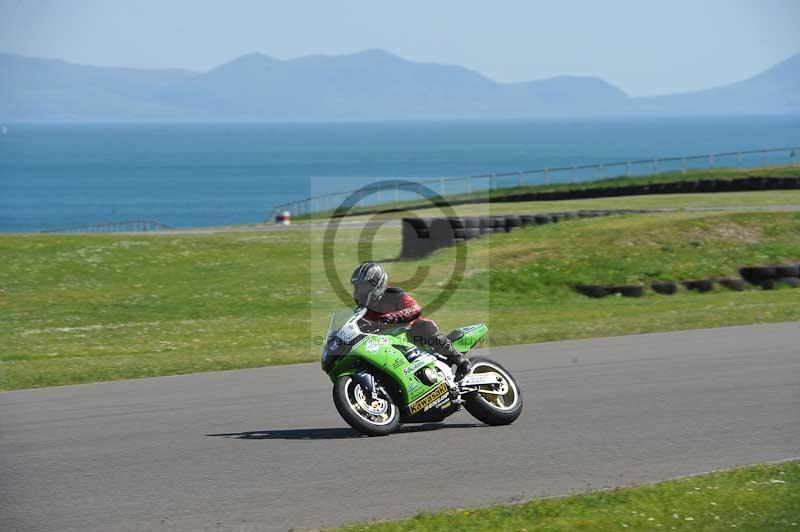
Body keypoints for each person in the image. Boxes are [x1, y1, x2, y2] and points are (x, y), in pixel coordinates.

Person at [350, 262, 470, 378]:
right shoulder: (363, 311)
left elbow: (415, 309)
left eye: (363, 287)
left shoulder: (394, 295)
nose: (359, 291)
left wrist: (392, 317)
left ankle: (459, 360)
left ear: (376, 284)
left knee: (422, 326)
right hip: (387, 345)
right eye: (357, 287)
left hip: (413, 336)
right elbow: (354, 328)